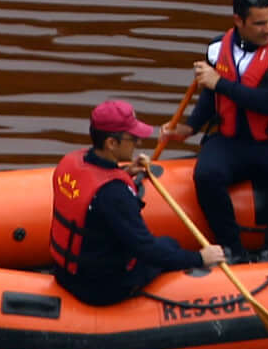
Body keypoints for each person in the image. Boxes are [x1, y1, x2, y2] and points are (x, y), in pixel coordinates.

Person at [165, 0, 268, 260]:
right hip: (234, 141)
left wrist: (219, 82)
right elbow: (211, 99)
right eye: (259, 23)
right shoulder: (216, 49)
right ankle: (233, 248)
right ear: (238, 20)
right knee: (206, 175)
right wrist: (189, 128)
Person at [50, 99, 225, 308]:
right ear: (111, 143)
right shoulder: (114, 194)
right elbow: (146, 248)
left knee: (165, 247)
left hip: (65, 274)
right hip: (99, 289)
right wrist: (199, 258)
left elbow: (96, 195)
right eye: (132, 138)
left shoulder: (71, 162)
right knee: (170, 245)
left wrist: (125, 173)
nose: (138, 143)